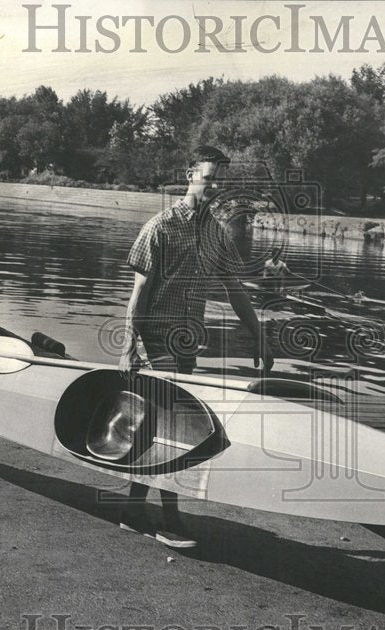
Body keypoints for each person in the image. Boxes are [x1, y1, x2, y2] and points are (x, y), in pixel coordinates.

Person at [117, 145, 274, 548]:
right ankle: (168, 515)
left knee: (162, 420)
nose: (215, 185)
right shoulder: (161, 227)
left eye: (220, 179)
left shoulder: (216, 233)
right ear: (190, 175)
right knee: (173, 421)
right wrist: (129, 345)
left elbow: (234, 288)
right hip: (156, 334)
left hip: (188, 339)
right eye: (208, 177)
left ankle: (134, 511)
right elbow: (139, 292)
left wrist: (258, 334)